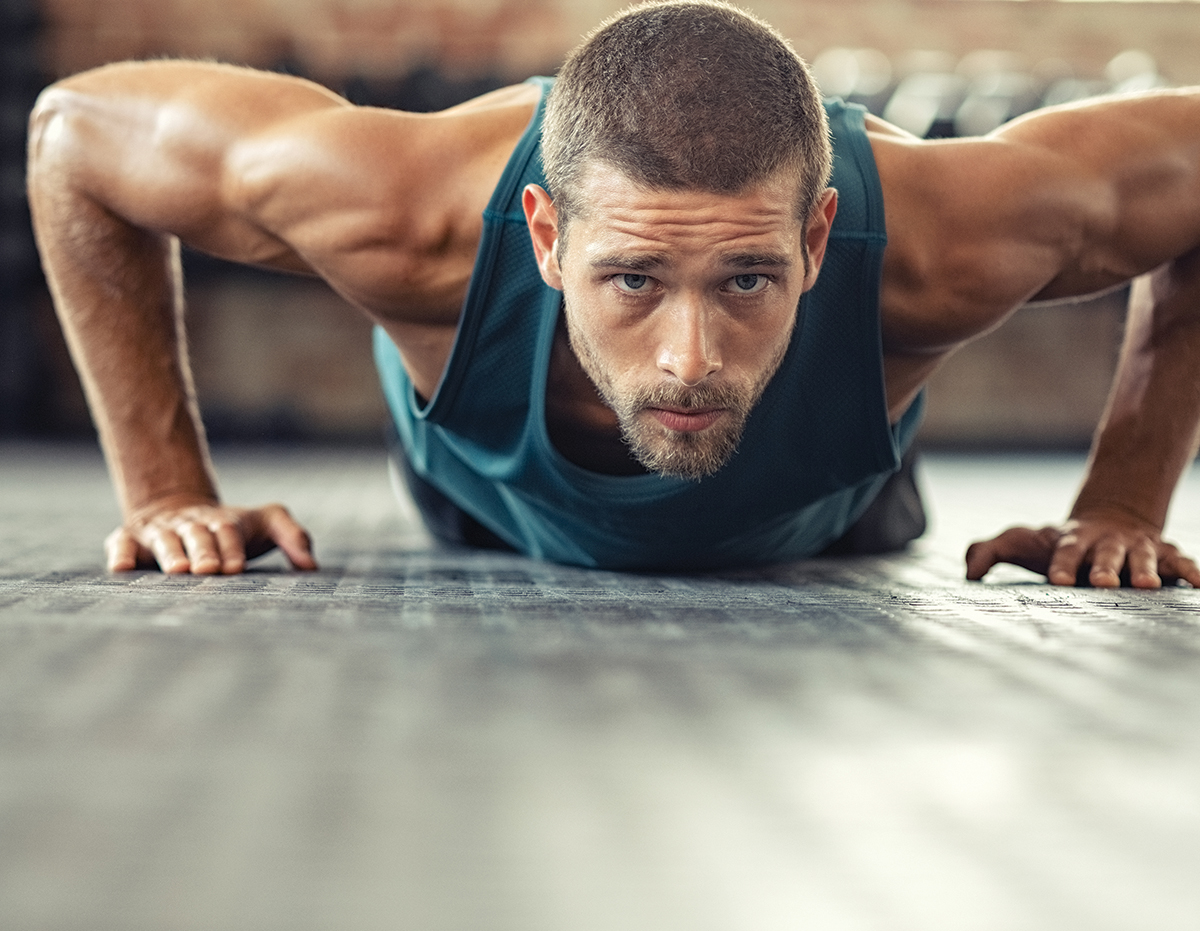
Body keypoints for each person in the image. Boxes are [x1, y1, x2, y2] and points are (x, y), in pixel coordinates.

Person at [25, 0, 1200, 587]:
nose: (690, 355)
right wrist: (167, 488)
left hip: (829, 518)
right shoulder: (404, 215)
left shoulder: (946, 241)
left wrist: (1127, 503)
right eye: (632, 277)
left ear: (819, 230)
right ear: (544, 234)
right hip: (486, 505)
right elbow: (73, 136)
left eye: (748, 276)